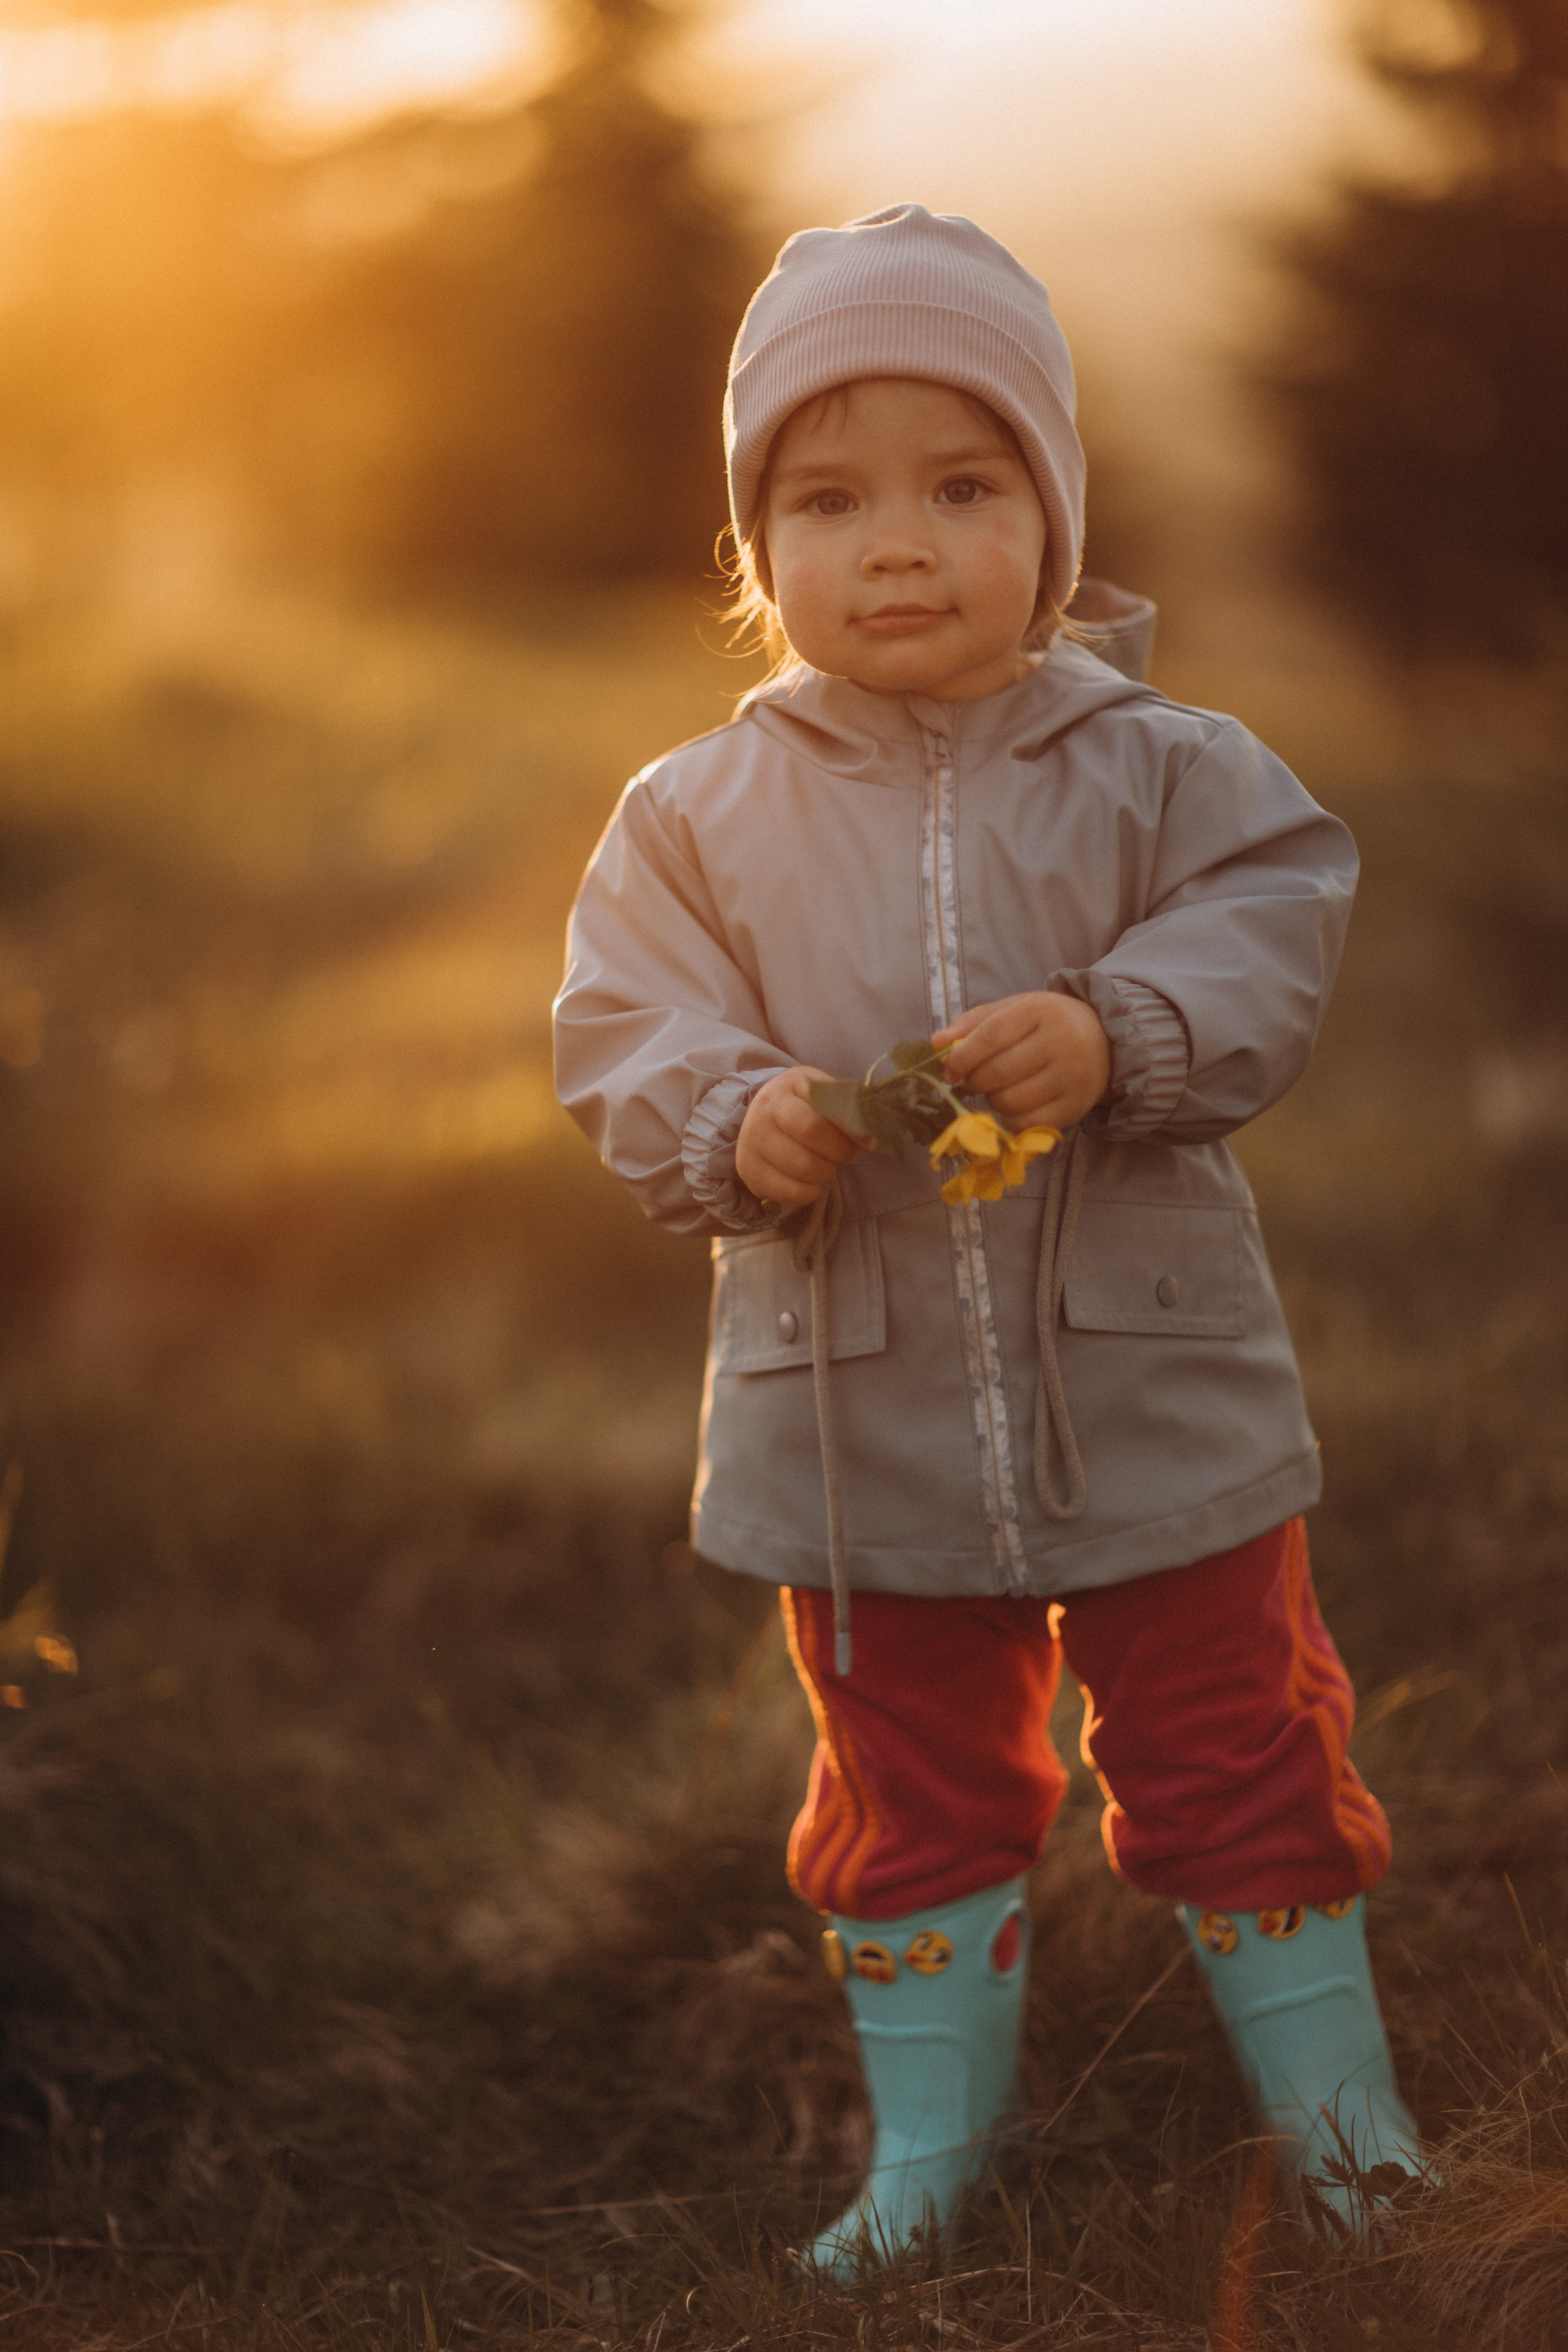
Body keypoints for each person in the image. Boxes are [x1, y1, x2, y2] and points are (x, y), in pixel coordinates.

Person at [552, 203, 1430, 2275]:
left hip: (1152, 1384)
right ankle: (935, 2153)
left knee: (1237, 1734)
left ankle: (1345, 2129)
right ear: (758, 542)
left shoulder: (1167, 769)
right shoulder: (691, 816)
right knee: (906, 1775)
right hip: (855, 1428)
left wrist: (1121, 1028)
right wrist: (735, 1113)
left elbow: (1272, 929)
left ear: (1053, 512)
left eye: (963, 487)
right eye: (830, 499)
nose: (901, 545)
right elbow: (623, 1028)